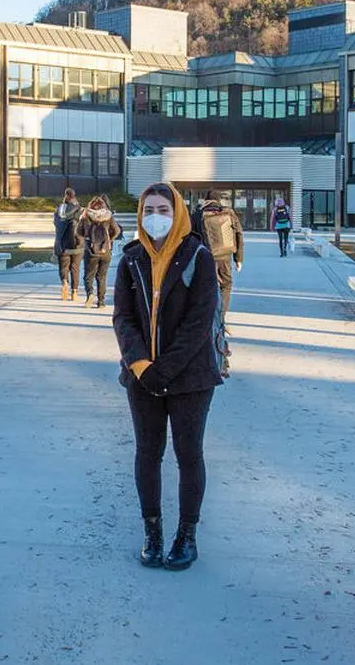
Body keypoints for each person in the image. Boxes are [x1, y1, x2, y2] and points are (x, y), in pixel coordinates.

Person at [113, 182, 222, 572]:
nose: (154, 217)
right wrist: (142, 366)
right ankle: (153, 532)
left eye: (163, 210)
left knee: (188, 454)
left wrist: (166, 370)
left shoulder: (198, 256)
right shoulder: (130, 259)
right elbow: (123, 318)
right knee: (148, 453)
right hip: (142, 377)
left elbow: (199, 322)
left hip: (191, 378)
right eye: (148, 209)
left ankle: (186, 535)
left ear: (177, 214)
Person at [196, 190, 244, 323]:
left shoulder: (198, 214)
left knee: (204, 285)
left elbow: (191, 237)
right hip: (224, 256)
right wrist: (238, 258)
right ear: (219, 200)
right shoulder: (228, 213)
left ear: (205, 199)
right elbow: (238, 234)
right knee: (226, 284)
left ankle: (206, 315)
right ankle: (220, 316)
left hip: (205, 256)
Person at [77, 194, 123, 309]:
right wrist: (108, 240)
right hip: (105, 251)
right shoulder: (108, 216)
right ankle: (101, 302)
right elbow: (117, 231)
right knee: (102, 277)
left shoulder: (87, 215)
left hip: (91, 250)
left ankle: (90, 295)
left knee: (89, 276)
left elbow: (78, 232)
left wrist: (86, 236)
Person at [54, 188, 85, 302]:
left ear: (66, 196)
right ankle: (75, 292)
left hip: (62, 245)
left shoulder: (59, 210)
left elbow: (56, 225)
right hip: (77, 245)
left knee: (63, 267)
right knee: (75, 268)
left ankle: (64, 283)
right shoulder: (81, 211)